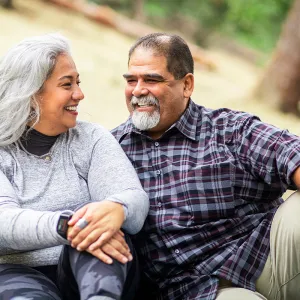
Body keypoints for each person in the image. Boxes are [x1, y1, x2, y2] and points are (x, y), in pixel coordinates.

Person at [112, 32, 300, 300]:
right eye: (132, 80)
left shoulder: (230, 129)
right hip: (202, 291)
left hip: (268, 259)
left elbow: (292, 153)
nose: (138, 90)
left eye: (152, 80)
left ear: (187, 85)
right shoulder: (111, 150)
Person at [0, 33, 149, 300]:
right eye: (67, 84)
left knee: (100, 232)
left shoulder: (91, 139)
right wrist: (68, 226)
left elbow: (133, 198)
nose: (79, 94)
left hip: (97, 269)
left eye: (77, 82)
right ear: (31, 93)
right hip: (16, 273)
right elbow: (3, 223)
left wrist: (117, 209)